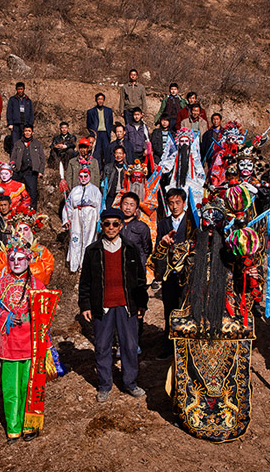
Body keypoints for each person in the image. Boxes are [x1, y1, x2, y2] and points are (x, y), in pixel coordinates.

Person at [150, 192, 263, 442]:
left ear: (224, 223)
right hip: (193, 316)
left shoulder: (233, 251)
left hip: (226, 317)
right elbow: (156, 265)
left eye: (217, 222)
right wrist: (164, 244)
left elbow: (254, 289)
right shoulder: (188, 249)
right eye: (206, 222)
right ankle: (189, 407)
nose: (210, 228)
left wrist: (251, 270)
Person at [0, 235, 60, 442]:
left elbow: (46, 313)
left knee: (30, 385)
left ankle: (30, 425)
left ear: (28, 260)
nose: (17, 263)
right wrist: (7, 317)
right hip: (9, 343)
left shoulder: (37, 284)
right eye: (12, 259)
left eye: (21, 258)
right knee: (10, 388)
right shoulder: (0, 285)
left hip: (32, 344)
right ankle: (13, 427)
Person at [78, 207, 148, 402]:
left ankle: (130, 383)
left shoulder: (131, 248)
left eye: (115, 224)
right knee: (102, 346)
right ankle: (104, 384)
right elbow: (85, 282)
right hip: (103, 306)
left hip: (127, 305)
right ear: (102, 225)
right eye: (107, 224)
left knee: (129, 346)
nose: (111, 227)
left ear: (121, 226)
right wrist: (85, 305)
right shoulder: (92, 251)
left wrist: (142, 303)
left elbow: (140, 279)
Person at [153, 188, 193, 358]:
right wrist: (163, 243)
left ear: (184, 203)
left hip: (188, 274)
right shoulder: (163, 224)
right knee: (169, 309)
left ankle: (187, 346)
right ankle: (169, 348)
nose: (174, 206)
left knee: (187, 309)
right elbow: (156, 252)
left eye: (178, 202)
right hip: (169, 275)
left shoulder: (193, 222)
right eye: (171, 203)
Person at [0, 207, 55, 285]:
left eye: (26, 229)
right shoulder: (7, 250)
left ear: (31, 232)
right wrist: (12, 268)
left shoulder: (41, 250)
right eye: (19, 230)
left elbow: (48, 270)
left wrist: (29, 267)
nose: (22, 233)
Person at [62, 169, 102, 273]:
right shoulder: (75, 190)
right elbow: (68, 205)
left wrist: (99, 220)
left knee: (88, 240)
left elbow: (99, 205)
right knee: (76, 238)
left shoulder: (95, 190)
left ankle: (85, 266)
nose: (83, 179)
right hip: (76, 216)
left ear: (90, 176)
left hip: (90, 216)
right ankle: (74, 265)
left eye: (85, 176)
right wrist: (67, 218)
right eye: (81, 176)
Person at [159, 128, 206, 205]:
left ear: (189, 142)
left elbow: (199, 169)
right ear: (178, 143)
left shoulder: (193, 154)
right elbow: (168, 164)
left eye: (186, 141)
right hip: (177, 182)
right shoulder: (175, 154)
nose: (184, 143)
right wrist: (161, 169)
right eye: (182, 141)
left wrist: (200, 181)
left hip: (191, 181)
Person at [10, 124, 46, 210]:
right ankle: (15, 209)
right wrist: (13, 168)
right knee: (16, 191)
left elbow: (42, 158)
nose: (27, 133)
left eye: (29, 131)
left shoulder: (37, 143)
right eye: (26, 131)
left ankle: (32, 210)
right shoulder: (18, 143)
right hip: (19, 170)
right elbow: (13, 158)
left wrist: (40, 171)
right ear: (23, 132)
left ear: (32, 132)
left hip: (31, 171)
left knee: (32, 192)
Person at [86, 93, 114, 168]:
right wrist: (93, 133)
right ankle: (97, 171)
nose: (100, 101)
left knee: (107, 153)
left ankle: (107, 171)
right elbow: (88, 125)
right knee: (96, 153)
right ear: (96, 100)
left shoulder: (108, 110)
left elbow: (110, 122)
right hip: (96, 134)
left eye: (102, 99)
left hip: (105, 134)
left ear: (104, 100)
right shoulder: (91, 112)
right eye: (98, 99)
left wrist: (109, 131)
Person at [6, 82, 34, 154]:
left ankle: (24, 159)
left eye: (21, 89)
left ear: (24, 89)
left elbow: (31, 113)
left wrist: (30, 124)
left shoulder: (28, 100)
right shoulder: (12, 100)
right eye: (18, 89)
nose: (20, 91)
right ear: (16, 90)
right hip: (15, 125)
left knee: (25, 142)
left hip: (25, 125)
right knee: (15, 142)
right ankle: (14, 159)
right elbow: (9, 111)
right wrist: (10, 123)